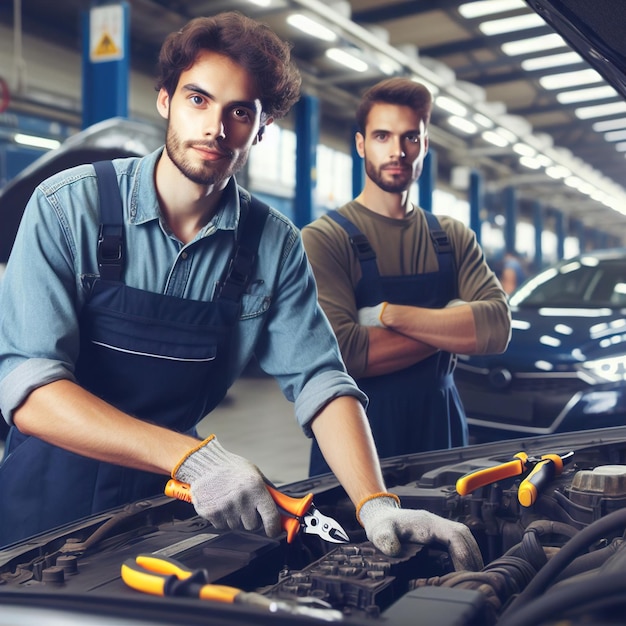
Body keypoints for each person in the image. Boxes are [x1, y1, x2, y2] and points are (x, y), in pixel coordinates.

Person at [0, 13, 482, 570]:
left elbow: (321, 379)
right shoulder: (67, 206)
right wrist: (194, 459)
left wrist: (375, 502)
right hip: (42, 507)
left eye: (239, 111)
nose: (215, 127)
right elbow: (30, 386)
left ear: (261, 129)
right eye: (198, 100)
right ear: (164, 101)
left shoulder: (271, 244)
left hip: (164, 512)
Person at [303, 77, 511, 476]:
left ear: (425, 146)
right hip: (358, 429)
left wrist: (386, 314)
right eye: (383, 136)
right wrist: (450, 322)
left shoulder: (452, 236)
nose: (398, 151)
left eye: (410, 138)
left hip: (443, 424)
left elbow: (497, 327)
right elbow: (347, 352)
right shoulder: (324, 239)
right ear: (361, 144)